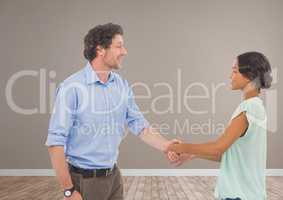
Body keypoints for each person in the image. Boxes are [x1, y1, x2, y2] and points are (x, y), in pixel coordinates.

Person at [45, 23, 184, 200]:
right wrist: (68, 190)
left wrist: (166, 146)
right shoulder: (71, 87)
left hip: (114, 177)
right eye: (119, 46)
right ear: (100, 49)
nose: (124, 51)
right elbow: (55, 142)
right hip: (86, 181)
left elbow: (138, 124)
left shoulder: (121, 84)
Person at [168, 52, 273, 200]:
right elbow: (231, 155)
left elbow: (218, 148)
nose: (230, 76)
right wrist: (192, 155)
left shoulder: (248, 109)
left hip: (239, 195)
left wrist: (178, 147)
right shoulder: (256, 107)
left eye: (235, 71)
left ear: (249, 75)